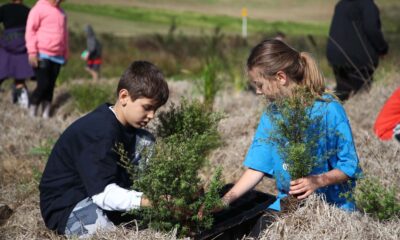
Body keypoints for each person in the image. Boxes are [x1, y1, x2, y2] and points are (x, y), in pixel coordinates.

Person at [216, 39, 362, 237]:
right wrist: (224, 201)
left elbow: (349, 166)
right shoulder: (272, 114)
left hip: (332, 209)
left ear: (281, 77)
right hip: (288, 203)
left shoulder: (329, 109)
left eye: (260, 84)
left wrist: (317, 181)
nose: (258, 91)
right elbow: (257, 168)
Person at [39, 61, 169, 237]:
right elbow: (103, 195)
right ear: (124, 97)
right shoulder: (99, 131)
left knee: (146, 141)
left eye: (156, 109)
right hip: (70, 202)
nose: (152, 115)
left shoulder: (128, 128)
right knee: (109, 236)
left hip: (98, 190)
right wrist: (150, 201)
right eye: (147, 107)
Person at [326, 0, 388, 102]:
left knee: (342, 92)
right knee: (361, 95)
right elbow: (372, 29)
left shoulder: (341, 4)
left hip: (336, 55)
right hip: (359, 59)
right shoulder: (367, 5)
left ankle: (326, 112)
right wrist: (382, 49)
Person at [25, 0, 69, 118]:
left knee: (51, 86)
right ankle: (32, 109)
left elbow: (64, 35)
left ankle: (46, 113)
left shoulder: (62, 13)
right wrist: (32, 52)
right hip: (42, 53)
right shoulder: (38, 9)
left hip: (58, 56)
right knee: (43, 84)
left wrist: (65, 53)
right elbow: (30, 31)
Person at [0, 0, 34, 108]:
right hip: (23, 45)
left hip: (6, 44)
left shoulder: (4, 9)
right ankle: (23, 102)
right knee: (20, 77)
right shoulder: (28, 11)